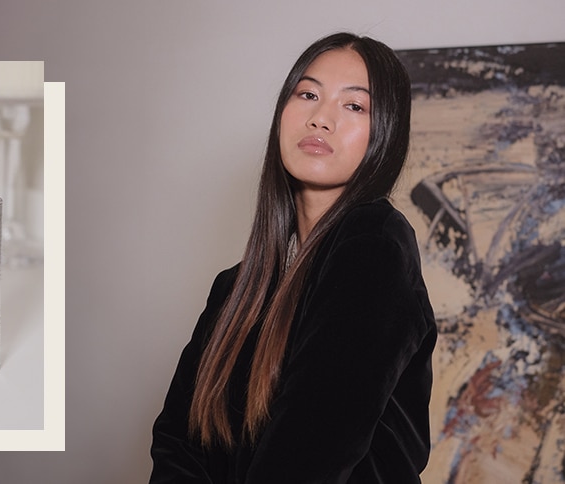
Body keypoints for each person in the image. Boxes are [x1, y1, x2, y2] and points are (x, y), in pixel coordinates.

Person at [149, 32, 438, 483]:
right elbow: (177, 444)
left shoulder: (375, 247)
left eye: (354, 105)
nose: (321, 118)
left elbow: (308, 457)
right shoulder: (235, 290)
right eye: (307, 94)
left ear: (385, 132)